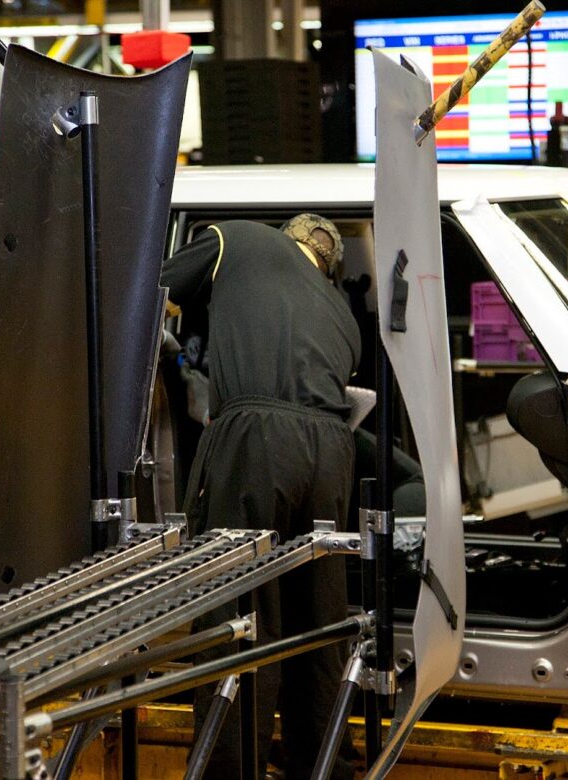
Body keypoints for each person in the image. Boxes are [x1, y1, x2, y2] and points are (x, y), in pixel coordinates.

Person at [160, 215, 361, 778]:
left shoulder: (238, 238)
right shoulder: (343, 315)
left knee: (240, 614)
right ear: (329, 266)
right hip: (331, 451)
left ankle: (230, 770)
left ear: (289, 235)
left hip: (257, 439)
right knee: (318, 623)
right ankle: (323, 767)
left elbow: (150, 294)